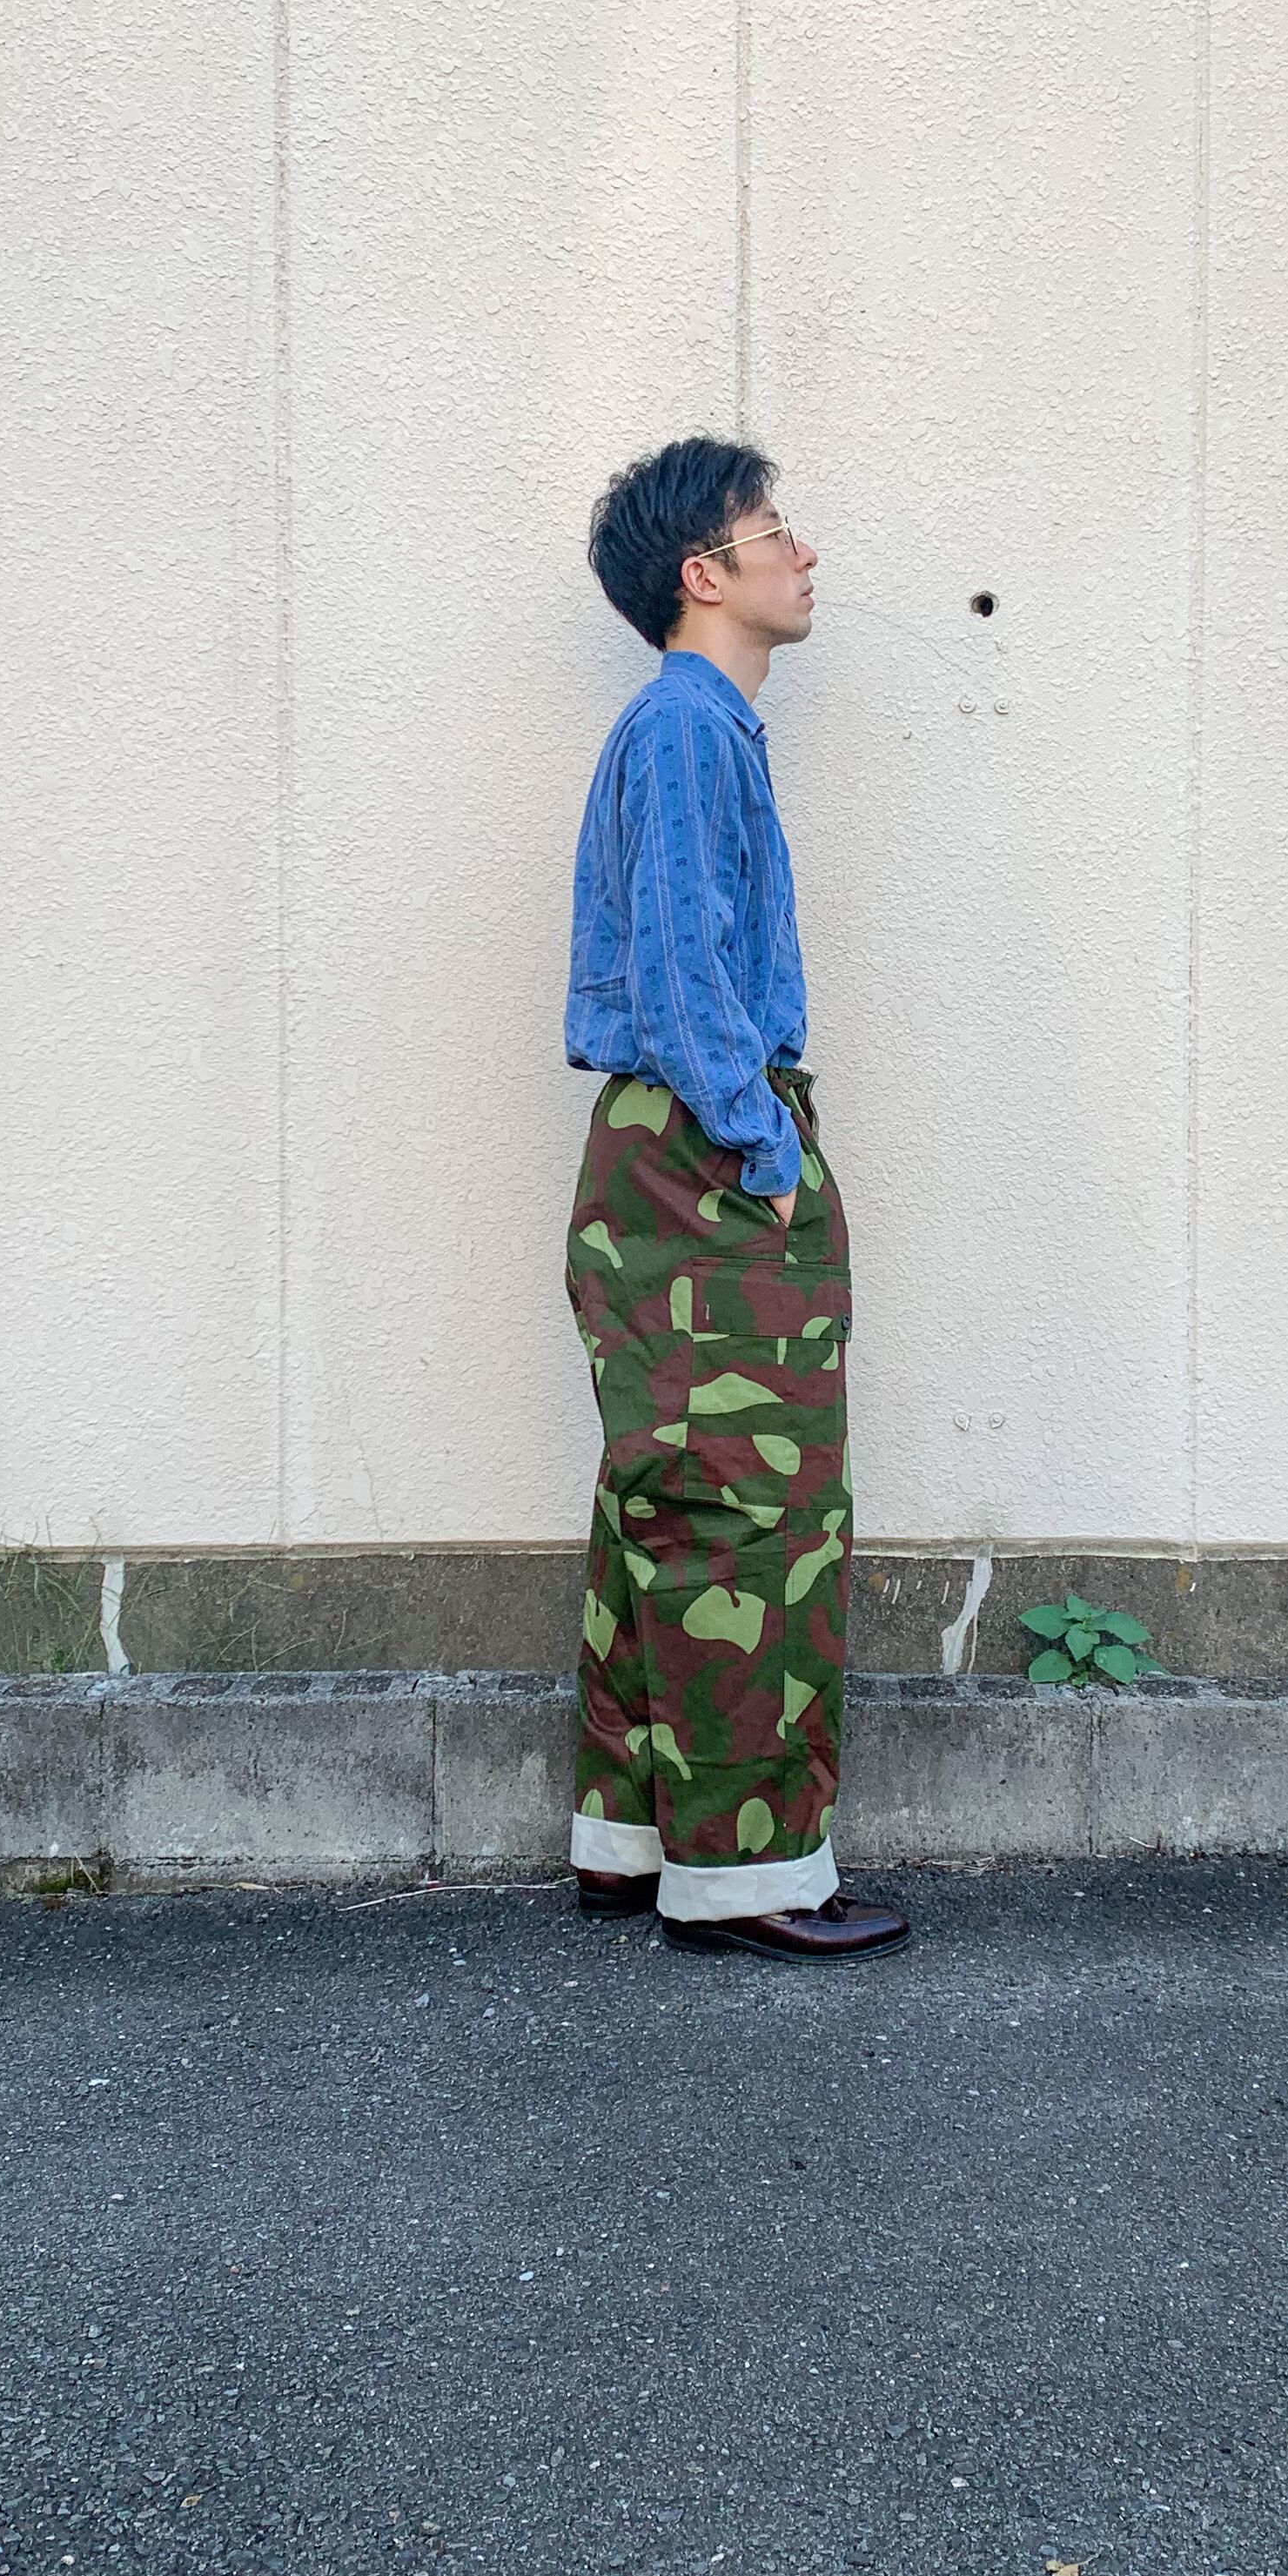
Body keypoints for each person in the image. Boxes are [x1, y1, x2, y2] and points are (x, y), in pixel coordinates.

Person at [560, 438, 908, 1961]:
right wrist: (767, 1149)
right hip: (703, 1152)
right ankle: (748, 1875)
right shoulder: (691, 727)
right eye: (778, 532)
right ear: (706, 574)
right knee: (751, 1514)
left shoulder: (688, 727)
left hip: (663, 1155)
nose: (805, 555)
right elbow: (686, 974)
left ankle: (637, 1840)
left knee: (669, 1492)